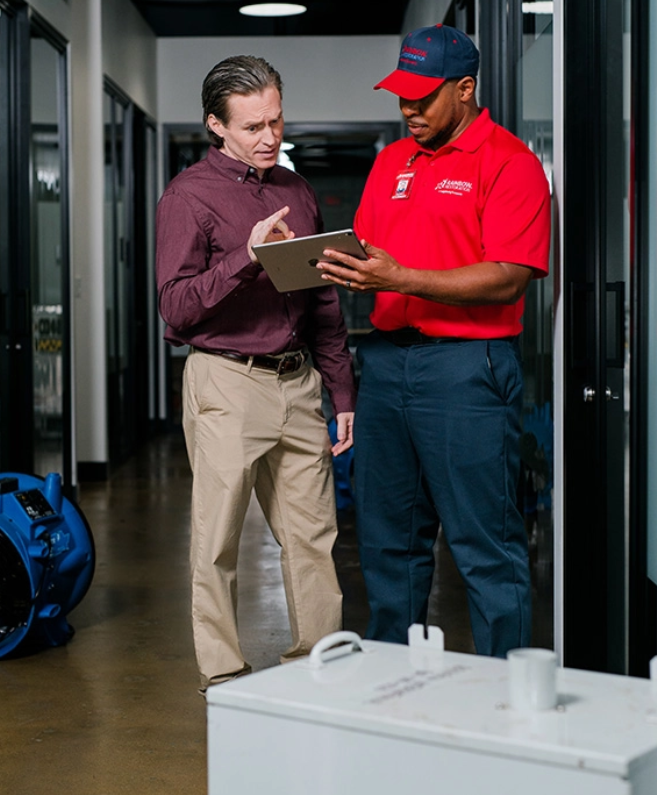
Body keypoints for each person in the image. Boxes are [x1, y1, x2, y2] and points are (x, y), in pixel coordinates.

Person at [317, 24, 551, 657]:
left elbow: (508, 277)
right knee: (388, 541)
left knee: (484, 544)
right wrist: (334, 265)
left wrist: (401, 277)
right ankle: (394, 686)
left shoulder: (512, 163)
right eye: (401, 96)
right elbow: (368, 250)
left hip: (466, 368)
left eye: (422, 98)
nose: (408, 110)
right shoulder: (392, 161)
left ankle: (511, 696)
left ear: (466, 89)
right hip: (387, 365)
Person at [155, 55, 356, 692]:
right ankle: (223, 673)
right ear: (216, 125)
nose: (269, 136)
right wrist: (246, 256)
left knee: (313, 538)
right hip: (225, 380)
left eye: (276, 120)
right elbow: (176, 308)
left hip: (298, 383)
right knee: (217, 539)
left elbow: (321, 297)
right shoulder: (187, 197)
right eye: (251, 127)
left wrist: (340, 388)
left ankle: (317, 666)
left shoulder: (296, 189)